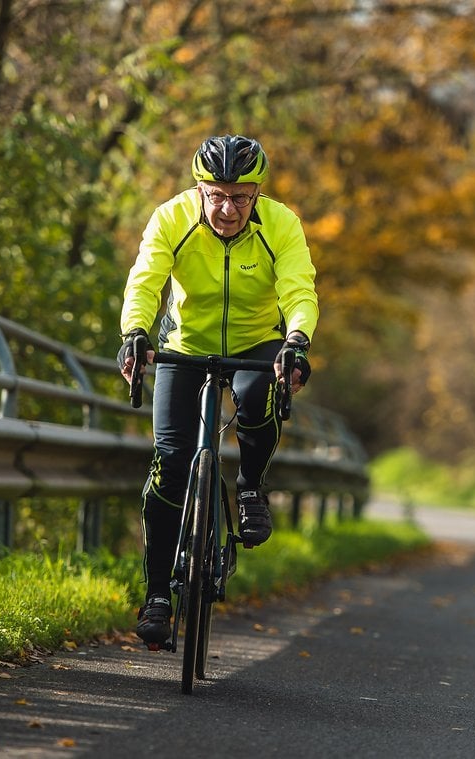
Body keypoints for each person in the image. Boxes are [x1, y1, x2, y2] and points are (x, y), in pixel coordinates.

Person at [117, 134, 318, 647]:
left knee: (257, 397)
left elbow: (299, 288)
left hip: (257, 340)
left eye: (242, 197)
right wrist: (134, 333)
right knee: (169, 463)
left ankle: (250, 484)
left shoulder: (281, 224)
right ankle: (158, 594)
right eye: (217, 195)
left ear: (257, 195)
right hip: (183, 345)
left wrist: (296, 340)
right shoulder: (171, 218)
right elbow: (145, 282)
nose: (228, 209)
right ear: (200, 189)